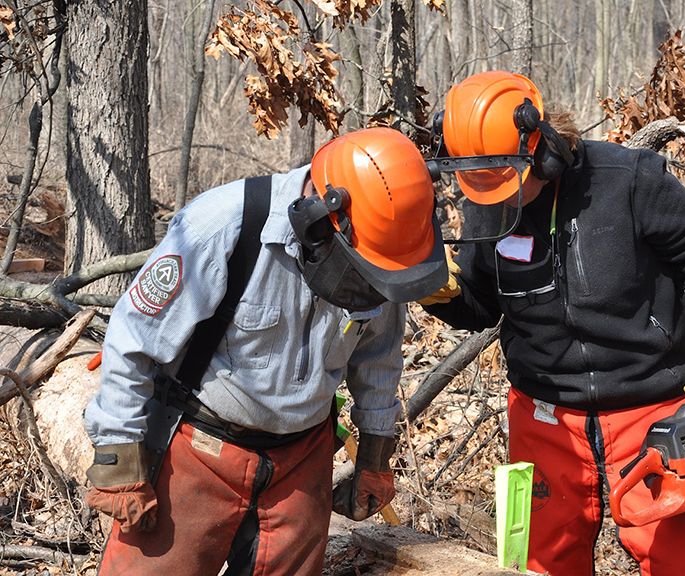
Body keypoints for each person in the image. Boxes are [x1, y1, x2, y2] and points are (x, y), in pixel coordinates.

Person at [419, 71, 685, 576]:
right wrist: (443, 292)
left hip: (648, 409)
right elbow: (485, 305)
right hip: (544, 417)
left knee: (683, 565)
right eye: (480, 181)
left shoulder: (628, 180)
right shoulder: (485, 200)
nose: (498, 194)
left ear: (542, 145)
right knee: (542, 565)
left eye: (505, 177)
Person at [82, 127, 447, 575]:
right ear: (321, 217)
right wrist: (119, 449)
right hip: (200, 449)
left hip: (301, 459)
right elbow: (134, 338)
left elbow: (379, 358)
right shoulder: (224, 225)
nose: (370, 288)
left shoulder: (385, 252)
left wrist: (375, 453)